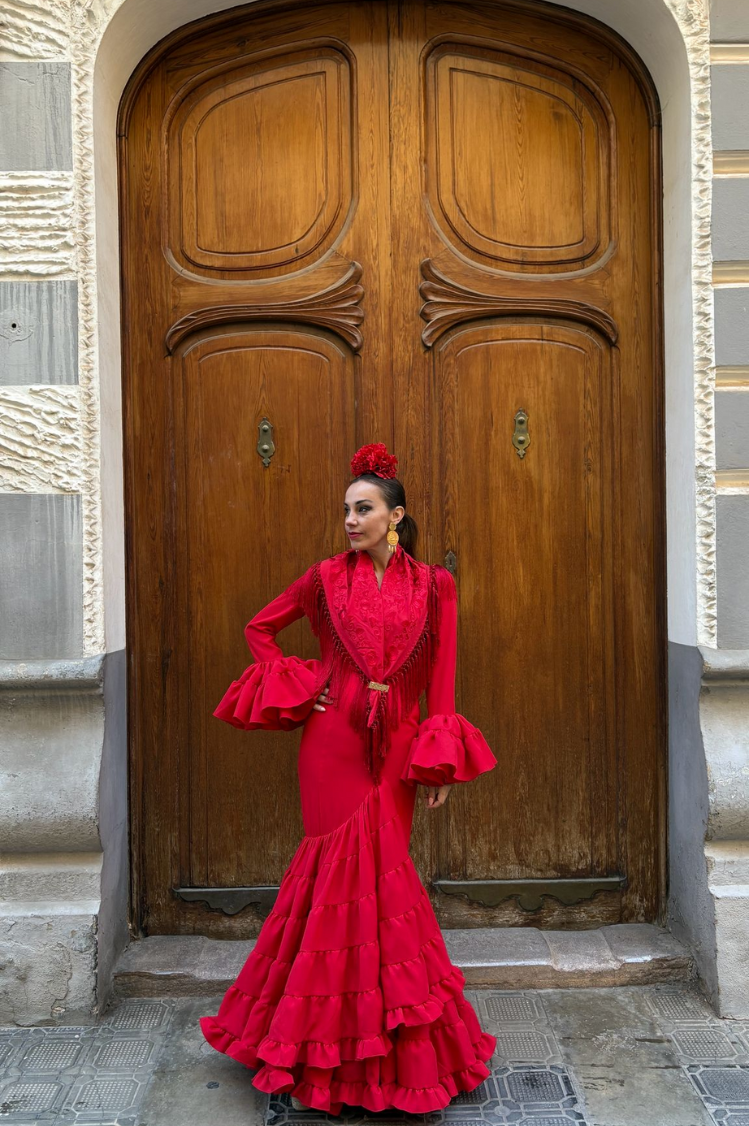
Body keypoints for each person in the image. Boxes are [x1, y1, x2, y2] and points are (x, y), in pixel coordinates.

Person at [199, 442, 497, 1114]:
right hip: (329, 747)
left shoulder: (435, 586)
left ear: (395, 516)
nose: (349, 520)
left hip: (396, 750)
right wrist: (309, 686)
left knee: (385, 886)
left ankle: (392, 1055)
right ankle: (316, 1055)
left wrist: (438, 755)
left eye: (362, 509)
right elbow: (260, 628)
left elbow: (441, 680)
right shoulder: (323, 578)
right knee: (336, 878)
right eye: (345, 510)